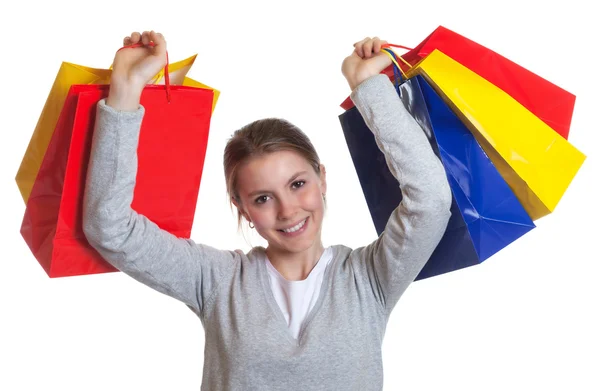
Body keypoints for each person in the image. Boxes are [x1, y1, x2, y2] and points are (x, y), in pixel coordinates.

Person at [83, 30, 452, 391]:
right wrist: (127, 89)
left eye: (297, 184)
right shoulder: (217, 280)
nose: (288, 210)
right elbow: (111, 228)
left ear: (321, 179)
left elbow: (431, 200)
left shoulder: (370, 278)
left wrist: (368, 88)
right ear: (241, 208)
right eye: (262, 198)